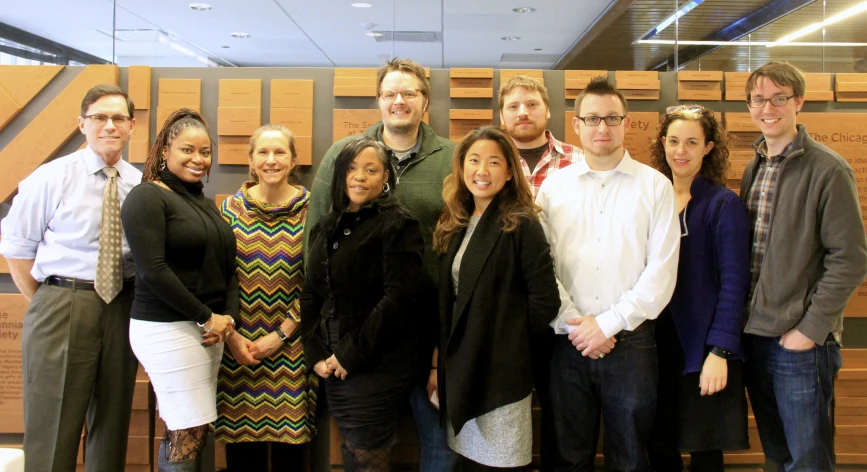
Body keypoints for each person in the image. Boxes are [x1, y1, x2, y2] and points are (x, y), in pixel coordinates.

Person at [306, 58, 458, 471]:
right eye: (390, 93)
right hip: (358, 332)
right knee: (361, 442)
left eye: (409, 93)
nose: (399, 101)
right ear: (378, 100)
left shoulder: (452, 158)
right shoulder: (343, 153)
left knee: (438, 436)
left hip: (427, 326)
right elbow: (315, 236)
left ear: (425, 101)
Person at [536, 76, 680, 471]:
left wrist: (609, 325)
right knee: (567, 455)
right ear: (577, 125)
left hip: (631, 344)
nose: (602, 128)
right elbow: (540, 266)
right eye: (593, 119)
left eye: (612, 118)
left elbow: (661, 272)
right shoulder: (552, 187)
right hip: (566, 342)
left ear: (627, 124)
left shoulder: (655, 187)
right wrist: (577, 325)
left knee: (631, 456)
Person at [0, 84, 141, 472]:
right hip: (64, 302)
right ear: (82, 124)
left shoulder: (139, 184)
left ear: (132, 125)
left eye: (118, 118)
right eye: (99, 117)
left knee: (112, 422)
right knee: (53, 423)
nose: (109, 126)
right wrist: (53, 299)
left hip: (122, 306)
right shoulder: (51, 177)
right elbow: (16, 250)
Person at [739, 61, 867, 471]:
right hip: (756, 336)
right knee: (777, 455)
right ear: (750, 106)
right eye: (759, 99)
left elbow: (850, 258)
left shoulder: (827, 169)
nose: (768, 107)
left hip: (799, 343)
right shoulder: (754, 167)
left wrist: (809, 330)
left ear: (799, 102)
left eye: (779, 98)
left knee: (809, 460)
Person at [430, 126, 560, 470]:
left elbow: (545, 301)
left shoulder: (520, 222)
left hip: (500, 373)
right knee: (470, 462)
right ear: (461, 167)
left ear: (508, 172)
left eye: (493, 162)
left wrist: (506, 341)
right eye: (473, 160)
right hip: (461, 367)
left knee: (501, 462)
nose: (482, 171)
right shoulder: (455, 221)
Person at [121, 109, 240, 472]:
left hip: (206, 330)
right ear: (164, 151)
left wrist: (227, 319)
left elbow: (227, 268)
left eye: (205, 153)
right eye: (188, 150)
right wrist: (208, 318)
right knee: (187, 427)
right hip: (167, 328)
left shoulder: (203, 203)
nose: (199, 160)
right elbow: (153, 271)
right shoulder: (146, 197)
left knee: (190, 427)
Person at [301, 135, 424, 472]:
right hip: (330, 358)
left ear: (385, 177)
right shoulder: (325, 226)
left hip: (378, 359)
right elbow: (312, 292)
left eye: (371, 169)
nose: (359, 176)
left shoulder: (399, 224)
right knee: (353, 450)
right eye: (352, 168)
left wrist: (349, 353)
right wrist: (314, 352)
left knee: (369, 455)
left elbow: (399, 299)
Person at [646, 105, 751, 471]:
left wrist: (720, 351)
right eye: (674, 141)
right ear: (663, 144)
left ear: (707, 147)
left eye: (692, 142)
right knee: (659, 447)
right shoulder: (651, 201)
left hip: (702, 350)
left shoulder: (723, 205)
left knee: (705, 451)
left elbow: (735, 284)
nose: (681, 151)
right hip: (654, 347)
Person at [215, 124, 318, 472]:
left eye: (280, 153)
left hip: (292, 349)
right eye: (263, 152)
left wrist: (282, 335)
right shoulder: (229, 211)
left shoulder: (313, 212)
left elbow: (321, 282)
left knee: (291, 456)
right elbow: (217, 278)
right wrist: (232, 337)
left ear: (293, 161)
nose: (271, 160)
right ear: (251, 161)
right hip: (238, 352)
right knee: (243, 458)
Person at [498, 74, 583, 471]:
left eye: (531, 104)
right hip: (502, 309)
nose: (523, 112)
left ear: (548, 110)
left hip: (560, 311)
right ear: (501, 115)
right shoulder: (486, 163)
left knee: (561, 412)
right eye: (513, 106)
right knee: (503, 410)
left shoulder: (579, 161)